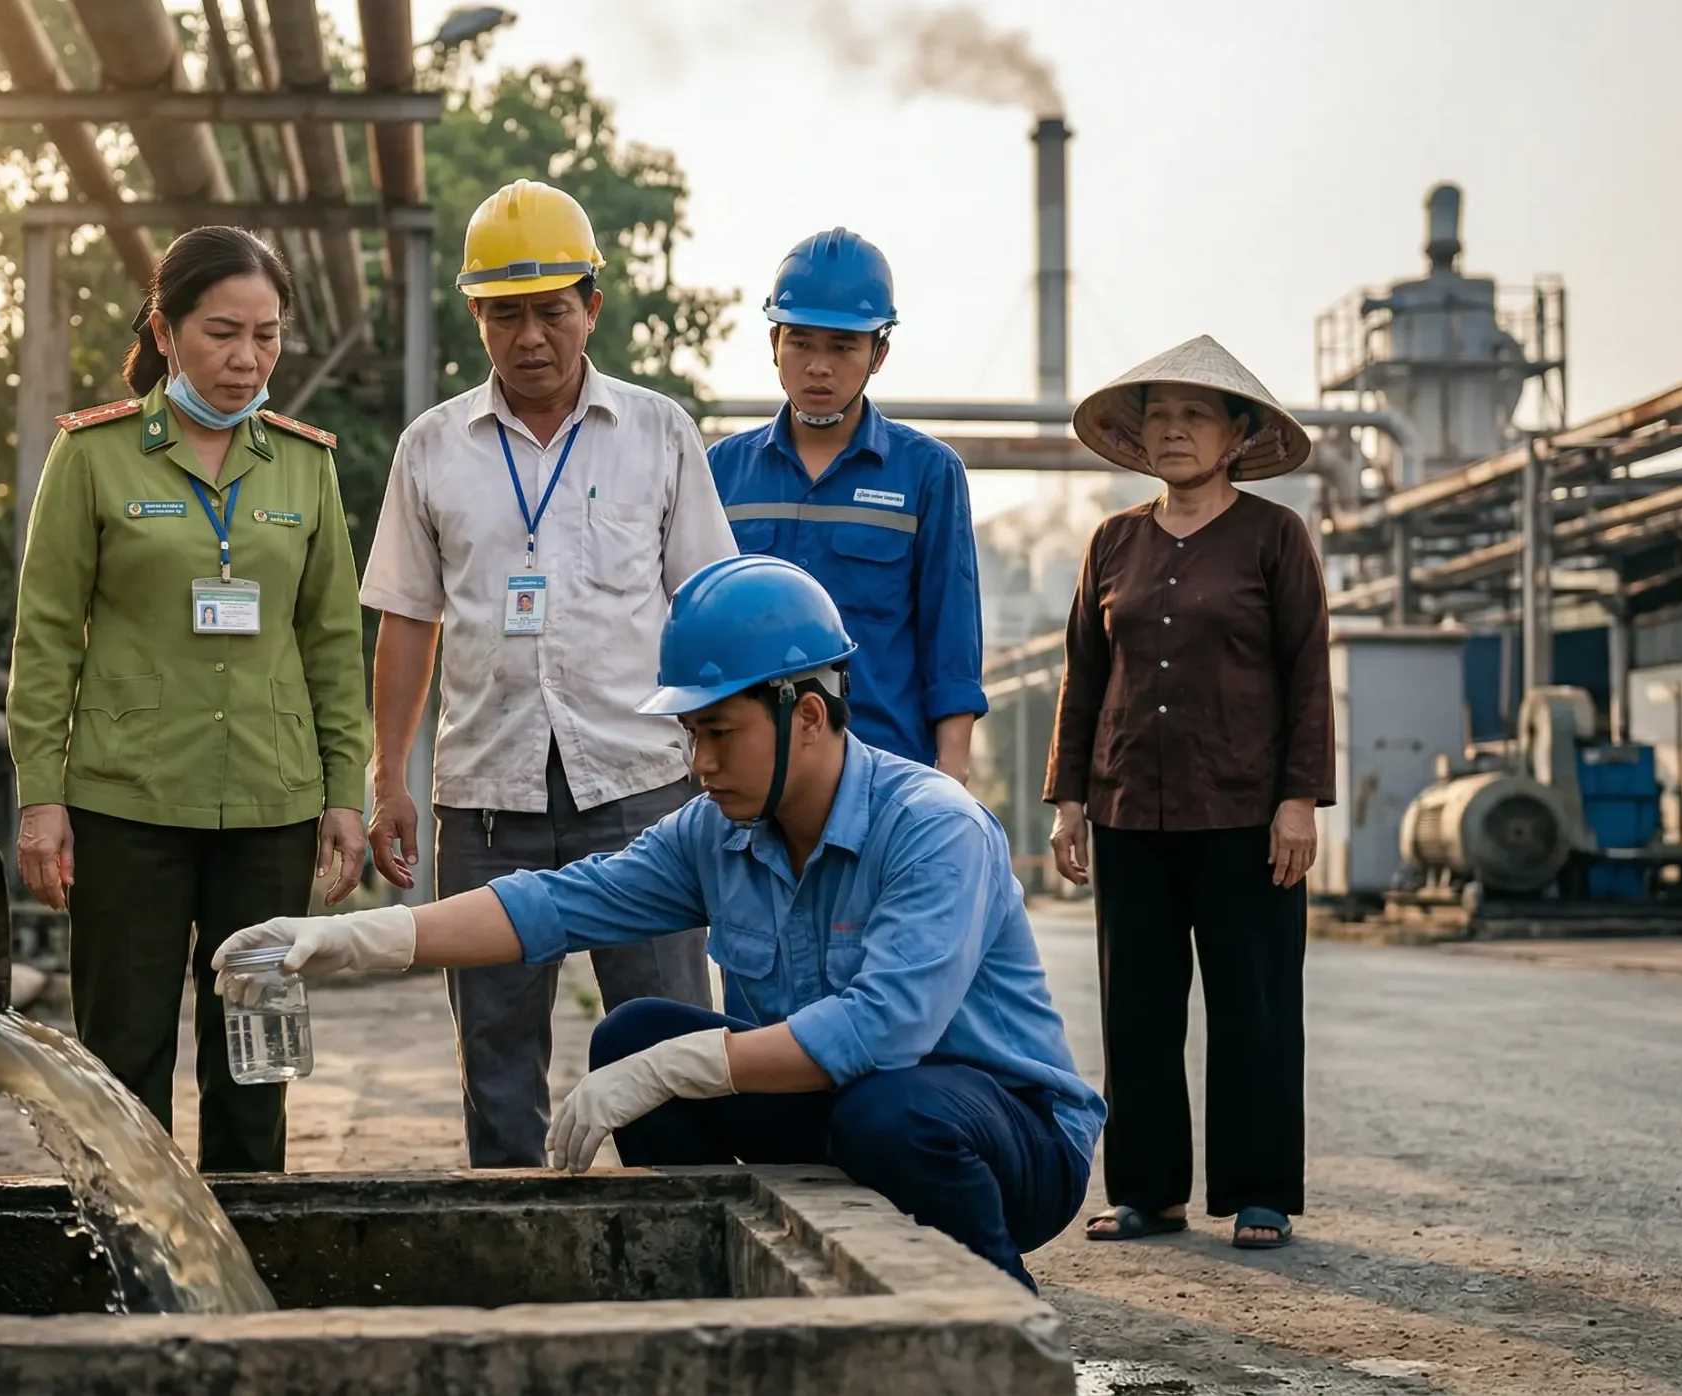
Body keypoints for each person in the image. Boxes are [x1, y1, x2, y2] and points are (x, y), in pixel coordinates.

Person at [217, 557, 1101, 1290]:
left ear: (811, 715)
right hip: (842, 1108)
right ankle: (720, 1287)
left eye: (719, 734)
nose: (699, 764)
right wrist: (355, 940)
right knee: (634, 1033)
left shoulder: (929, 825)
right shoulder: (717, 831)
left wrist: (688, 1064)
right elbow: (555, 904)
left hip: (1001, 1132)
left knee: (878, 1106)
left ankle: (999, 1321)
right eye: (690, 737)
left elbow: (885, 1028)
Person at [360, 178, 737, 1168]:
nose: (531, 336)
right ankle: (509, 1235)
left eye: (551, 310)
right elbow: (407, 617)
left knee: (668, 1041)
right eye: (505, 313)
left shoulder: (659, 433)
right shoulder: (432, 448)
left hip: (640, 793)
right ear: (476, 318)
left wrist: (719, 767)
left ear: (591, 309)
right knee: (495, 1048)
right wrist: (387, 774)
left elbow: (708, 608)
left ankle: (680, 1228)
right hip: (486, 797)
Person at [8, 226, 370, 1174]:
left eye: (267, 334)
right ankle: (128, 1268)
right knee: (122, 1059)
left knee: (259, 1057)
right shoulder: (95, 455)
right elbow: (45, 636)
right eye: (222, 332)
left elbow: (332, 638)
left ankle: (251, 1258)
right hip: (128, 798)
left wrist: (345, 793)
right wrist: (41, 797)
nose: (248, 359)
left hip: (273, 802)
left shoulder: (305, 464)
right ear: (166, 331)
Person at [1046, 334, 1334, 1250]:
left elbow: (1306, 676)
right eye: (1158, 416)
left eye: (1194, 415)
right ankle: (1146, 1191)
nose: (1171, 432)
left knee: (1253, 1006)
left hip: (1246, 814)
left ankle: (1259, 1192)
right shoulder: (1113, 542)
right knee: (1136, 1006)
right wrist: (1069, 800)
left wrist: (1300, 800)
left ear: (1238, 435)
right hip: (1130, 809)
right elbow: (1082, 676)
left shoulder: (1274, 537)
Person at [709, 229, 986, 777]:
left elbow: (950, 645)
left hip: (883, 773)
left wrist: (950, 780)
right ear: (774, 345)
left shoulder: (928, 473)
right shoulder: (721, 472)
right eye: (801, 342)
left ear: (879, 353)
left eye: (842, 346)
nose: (818, 366)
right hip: (749, 776)